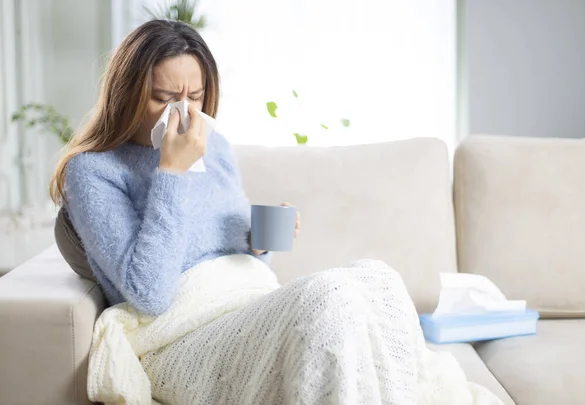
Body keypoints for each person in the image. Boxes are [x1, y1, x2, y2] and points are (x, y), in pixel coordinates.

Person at [53, 20, 501, 405]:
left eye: (195, 95)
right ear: (127, 94)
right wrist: (172, 170)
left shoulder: (215, 145)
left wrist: (256, 241)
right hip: (176, 335)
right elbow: (148, 293)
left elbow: (224, 243)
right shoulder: (93, 172)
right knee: (330, 297)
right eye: (164, 97)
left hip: (249, 303)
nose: (184, 113)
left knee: (377, 277)